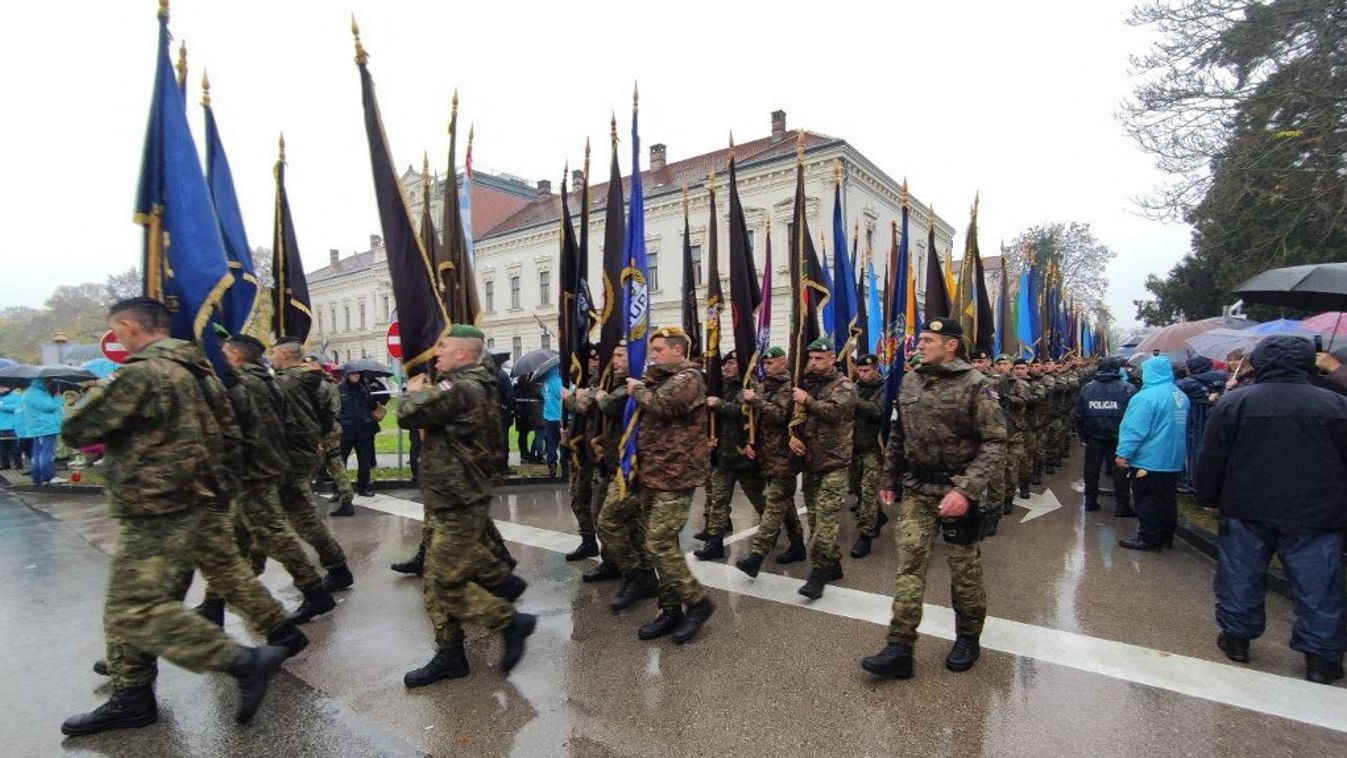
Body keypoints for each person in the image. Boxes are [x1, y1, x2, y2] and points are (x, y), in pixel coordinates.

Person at [59, 298, 287, 736]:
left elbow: (77, 429)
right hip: (195, 498)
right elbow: (229, 434)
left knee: (133, 608)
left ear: (128, 326)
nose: (118, 338)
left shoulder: (142, 373)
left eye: (117, 330)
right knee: (212, 579)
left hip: (154, 505)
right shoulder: (199, 373)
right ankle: (136, 692)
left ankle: (239, 662)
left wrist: (81, 397)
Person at [861, 318, 1005, 680]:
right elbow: (898, 433)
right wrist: (889, 478)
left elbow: (995, 443)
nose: (919, 345)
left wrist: (965, 490)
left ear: (951, 344)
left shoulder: (977, 385)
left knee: (964, 573)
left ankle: (968, 638)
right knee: (909, 568)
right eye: (920, 339)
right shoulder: (910, 380)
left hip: (958, 494)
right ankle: (900, 648)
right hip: (917, 491)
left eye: (927, 340)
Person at [1199, 335, 1347, 684]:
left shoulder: (1237, 402)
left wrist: (1209, 494)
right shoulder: (1337, 405)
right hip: (1317, 510)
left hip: (1248, 504)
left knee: (1241, 573)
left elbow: (1213, 454)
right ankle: (1321, 658)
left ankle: (1237, 639)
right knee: (1319, 584)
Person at [398, 325, 536, 686]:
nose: (436, 352)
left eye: (443, 346)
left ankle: (509, 620)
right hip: (455, 492)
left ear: (463, 353)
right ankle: (498, 585)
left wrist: (412, 392)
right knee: (444, 572)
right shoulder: (471, 384)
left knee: (444, 584)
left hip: (458, 495)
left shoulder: (461, 387)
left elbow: (408, 415)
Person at [220, 335, 336, 626]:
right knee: (246, 530)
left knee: (277, 527)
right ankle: (219, 598)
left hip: (263, 466)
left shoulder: (267, 382)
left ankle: (313, 589)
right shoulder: (280, 380)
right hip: (280, 459)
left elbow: (268, 426)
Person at [623, 326, 715, 643]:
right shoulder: (660, 379)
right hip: (654, 471)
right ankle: (670, 608)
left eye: (660, 349)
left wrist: (636, 389)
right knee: (666, 546)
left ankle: (698, 602)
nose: (653, 353)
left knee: (658, 542)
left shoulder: (690, 377)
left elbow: (663, 406)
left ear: (678, 350)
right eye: (653, 349)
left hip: (677, 474)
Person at [271, 339, 354, 592]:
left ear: (285, 355)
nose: (272, 358)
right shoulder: (321, 382)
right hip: (314, 442)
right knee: (297, 509)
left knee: (291, 515)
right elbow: (330, 410)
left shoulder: (285, 383)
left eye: (274, 353)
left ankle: (320, 581)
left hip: (297, 450)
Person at [791, 338, 856, 598]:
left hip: (835, 463)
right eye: (811, 358)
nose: (814, 363)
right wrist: (792, 435)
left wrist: (806, 400)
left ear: (832, 358)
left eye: (820, 358)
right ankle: (833, 564)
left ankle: (818, 575)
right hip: (811, 463)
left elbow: (834, 412)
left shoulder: (844, 386)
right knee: (817, 520)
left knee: (827, 521)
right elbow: (796, 417)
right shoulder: (806, 383)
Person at [735, 347, 807, 578]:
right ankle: (797, 546)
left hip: (784, 458)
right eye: (764, 364)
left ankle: (756, 557)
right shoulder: (765, 386)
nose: (765, 367)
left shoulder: (789, 387)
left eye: (770, 363)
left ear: (783, 362)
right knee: (786, 508)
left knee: (774, 507)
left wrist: (755, 400)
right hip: (767, 457)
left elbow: (780, 415)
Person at [695, 350, 768, 560]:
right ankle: (714, 542)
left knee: (760, 500)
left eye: (732, 363)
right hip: (724, 454)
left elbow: (742, 411)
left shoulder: (750, 386)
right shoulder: (721, 385)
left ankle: (776, 529)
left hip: (745, 454)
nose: (727, 366)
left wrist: (716, 404)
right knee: (718, 500)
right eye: (726, 363)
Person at [1115, 355, 1188, 551]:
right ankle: (1165, 535)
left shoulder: (1145, 397)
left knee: (1147, 499)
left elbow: (1135, 429)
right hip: (1172, 458)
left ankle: (1148, 537)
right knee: (1167, 499)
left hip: (1149, 459)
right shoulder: (1180, 395)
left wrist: (1123, 454)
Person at [590, 343, 639, 588]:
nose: (614, 360)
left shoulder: (633, 386)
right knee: (598, 514)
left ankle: (636, 574)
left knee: (611, 521)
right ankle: (612, 562)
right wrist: (601, 441)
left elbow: (611, 405)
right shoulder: (620, 385)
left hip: (628, 468)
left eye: (620, 355)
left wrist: (599, 396)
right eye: (614, 355)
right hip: (610, 462)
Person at [1072, 357, 1136, 515]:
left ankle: (1090, 501)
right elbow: (1134, 415)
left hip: (1094, 436)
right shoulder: (1128, 388)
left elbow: (1078, 415)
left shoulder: (1088, 388)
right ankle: (1122, 505)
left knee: (1091, 470)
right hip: (1118, 437)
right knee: (1120, 471)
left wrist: (1084, 436)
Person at [561, 346, 601, 561]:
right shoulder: (580, 385)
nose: (591, 365)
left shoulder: (601, 384)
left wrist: (570, 399)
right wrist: (567, 431)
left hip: (593, 453)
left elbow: (587, 407)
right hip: (579, 449)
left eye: (595, 361)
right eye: (588, 361)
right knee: (577, 498)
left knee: (597, 505)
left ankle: (613, 556)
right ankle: (588, 541)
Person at [849, 353, 889, 558]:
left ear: (875, 369)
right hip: (853, 448)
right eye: (860, 370)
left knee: (867, 492)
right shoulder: (854, 387)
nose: (863, 374)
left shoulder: (884, 388)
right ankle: (878, 516)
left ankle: (865, 536)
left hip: (874, 448)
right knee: (855, 488)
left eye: (867, 370)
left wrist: (855, 402)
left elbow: (877, 411)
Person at [338, 369, 382, 502]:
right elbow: (333, 408)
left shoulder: (363, 388)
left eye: (358, 374)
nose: (356, 376)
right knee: (340, 462)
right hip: (346, 429)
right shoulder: (339, 389)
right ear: (347, 375)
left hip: (363, 429)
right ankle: (339, 489)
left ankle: (363, 487)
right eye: (353, 374)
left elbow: (371, 405)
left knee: (364, 461)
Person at [1000, 357, 1034, 505]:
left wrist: (1004, 395)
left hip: (1015, 432)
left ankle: (1009, 497)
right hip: (996, 433)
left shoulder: (1021, 384)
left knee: (1013, 467)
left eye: (1005, 364)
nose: (1002, 367)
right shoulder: (991, 383)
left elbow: (1021, 402)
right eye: (999, 364)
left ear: (1011, 367)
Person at [22, 377, 64, 485]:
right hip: (44, 428)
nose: (50, 383)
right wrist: (58, 399)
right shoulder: (35, 393)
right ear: (41, 380)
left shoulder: (36, 392)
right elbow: (49, 407)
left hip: (41, 427)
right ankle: (47, 477)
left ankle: (38, 476)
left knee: (38, 452)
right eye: (48, 380)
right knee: (46, 453)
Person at [539, 365, 563, 477]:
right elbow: (565, 396)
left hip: (548, 417)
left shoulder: (545, 383)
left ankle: (552, 466)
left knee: (551, 444)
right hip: (560, 417)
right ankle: (565, 469)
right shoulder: (559, 381)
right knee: (563, 444)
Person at [514, 377, 541, 463]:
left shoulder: (527, 387)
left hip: (527, 413)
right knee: (523, 434)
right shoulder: (519, 387)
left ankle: (525, 452)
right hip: (522, 413)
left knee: (524, 433)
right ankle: (524, 453)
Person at [0, 386, 21, 469]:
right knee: (2, 448)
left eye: (2, 387)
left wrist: (2, 407)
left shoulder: (17, 396)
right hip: (1, 427)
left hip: (13, 426)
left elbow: (17, 408)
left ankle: (18, 464)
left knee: (15, 447)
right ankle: (5, 464)